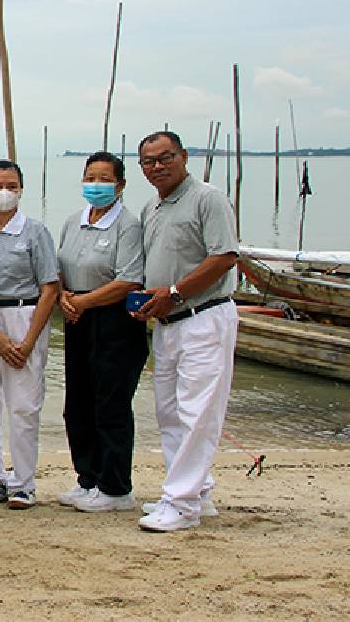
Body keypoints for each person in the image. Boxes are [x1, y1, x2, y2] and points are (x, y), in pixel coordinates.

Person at [132, 131, 238, 532]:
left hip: (203, 316)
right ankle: (197, 490)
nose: (157, 166)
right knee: (170, 412)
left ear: (184, 157)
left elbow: (225, 256)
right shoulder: (152, 208)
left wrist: (175, 292)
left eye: (165, 158)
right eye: (148, 162)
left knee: (198, 412)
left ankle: (180, 501)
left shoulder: (207, 198)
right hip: (167, 322)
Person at [56, 151, 148, 512]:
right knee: (78, 403)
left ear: (121, 184)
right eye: (90, 177)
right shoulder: (72, 222)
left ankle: (115, 487)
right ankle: (88, 478)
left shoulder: (128, 225)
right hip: (76, 317)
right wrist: (65, 296)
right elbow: (61, 265)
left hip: (114, 321)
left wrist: (85, 301)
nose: (96, 185)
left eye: (104, 178)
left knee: (111, 403)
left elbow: (129, 279)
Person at [0, 159, 60, 509]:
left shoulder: (35, 233)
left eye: (11, 186)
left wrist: (28, 341)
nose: (3, 192)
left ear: (21, 190)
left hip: (26, 315)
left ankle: (23, 482)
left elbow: (50, 287)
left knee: (23, 406)